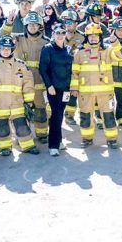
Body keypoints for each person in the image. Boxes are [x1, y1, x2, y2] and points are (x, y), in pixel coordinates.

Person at [0, 35, 39, 156]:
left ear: (12, 49)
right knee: (2, 128)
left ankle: (28, 146)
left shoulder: (21, 65)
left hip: (17, 103)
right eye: (3, 48)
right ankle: (4, 148)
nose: (6, 51)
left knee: (22, 126)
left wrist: (29, 100)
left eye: (8, 48)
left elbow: (28, 83)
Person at [70, 23, 122, 149]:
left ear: (100, 37)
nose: (93, 38)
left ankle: (112, 140)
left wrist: (115, 42)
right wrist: (74, 88)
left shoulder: (108, 50)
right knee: (85, 116)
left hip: (105, 93)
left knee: (108, 117)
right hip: (85, 93)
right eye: (90, 36)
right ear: (86, 37)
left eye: (96, 35)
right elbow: (74, 73)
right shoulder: (79, 53)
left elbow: (120, 57)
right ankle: (87, 139)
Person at [11, 12, 50, 144]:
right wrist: (8, 23)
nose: (32, 27)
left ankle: (42, 134)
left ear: (40, 26)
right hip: (21, 85)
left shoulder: (46, 42)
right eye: (30, 24)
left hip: (40, 85)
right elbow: (2, 35)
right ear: (25, 26)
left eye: (35, 24)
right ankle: (22, 136)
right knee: (21, 112)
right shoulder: (18, 39)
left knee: (41, 111)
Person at [39, 24, 74, 156]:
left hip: (66, 89)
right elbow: (43, 69)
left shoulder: (68, 49)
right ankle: (53, 145)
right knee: (56, 115)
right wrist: (49, 85)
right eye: (57, 33)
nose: (60, 35)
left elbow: (71, 69)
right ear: (53, 34)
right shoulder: (48, 49)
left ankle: (58, 140)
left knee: (60, 115)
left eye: (62, 33)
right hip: (53, 89)